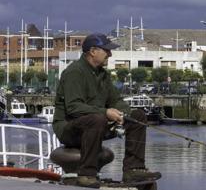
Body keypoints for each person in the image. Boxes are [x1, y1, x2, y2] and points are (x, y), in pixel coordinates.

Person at [53, 33, 161, 188]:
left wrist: (125, 114)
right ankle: (86, 174)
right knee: (97, 119)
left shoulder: (103, 75)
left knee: (138, 116)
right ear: (93, 51)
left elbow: (115, 101)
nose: (110, 54)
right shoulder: (74, 72)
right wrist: (105, 112)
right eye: (106, 50)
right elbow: (73, 107)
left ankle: (133, 169)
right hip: (69, 129)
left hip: (96, 125)